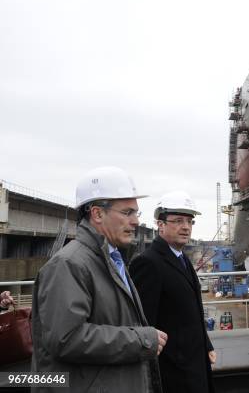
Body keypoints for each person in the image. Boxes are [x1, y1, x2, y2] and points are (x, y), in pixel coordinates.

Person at [30, 166, 165, 393]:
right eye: (127, 212)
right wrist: (141, 340)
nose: (135, 222)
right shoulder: (69, 264)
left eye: (136, 213)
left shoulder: (111, 259)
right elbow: (66, 338)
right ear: (97, 214)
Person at [130, 190, 216, 393]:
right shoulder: (148, 263)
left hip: (194, 361)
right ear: (160, 224)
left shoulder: (182, 258)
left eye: (189, 221)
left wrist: (207, 344)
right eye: (178, 221)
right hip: (173, 371)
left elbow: (191, 311)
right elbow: (143, 322)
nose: (185, 227)